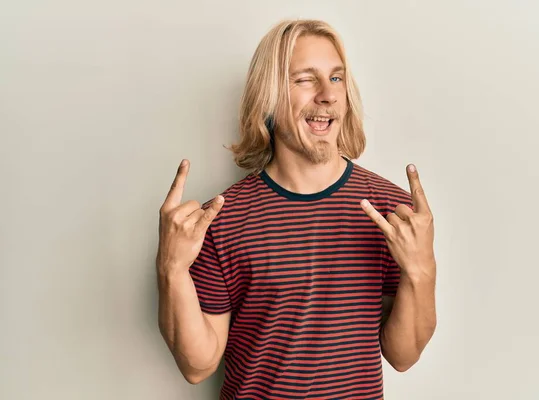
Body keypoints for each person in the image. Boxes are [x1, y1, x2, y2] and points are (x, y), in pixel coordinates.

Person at [156, 19, 437, 400]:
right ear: (268, 97)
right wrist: (171, 268)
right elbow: (197, 365)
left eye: (336, 79)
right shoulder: (220, 222)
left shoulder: (389, 212)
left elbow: (403, 356)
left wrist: (421, 270)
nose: (327, 95)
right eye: (306, 79)